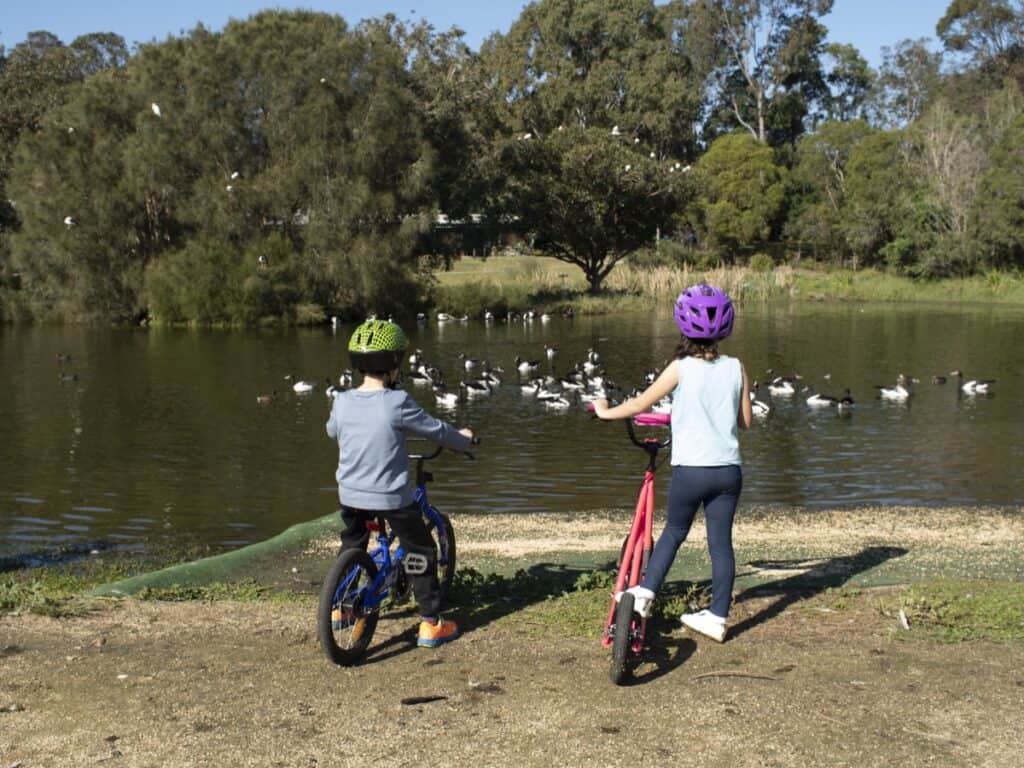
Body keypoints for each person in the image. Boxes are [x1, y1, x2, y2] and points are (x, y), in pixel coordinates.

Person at [594, 285, 752, 642]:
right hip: (728, 470)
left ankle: (645, 593)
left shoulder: (680, 368)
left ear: (683, 325)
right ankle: (717, 617)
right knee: (721, 544)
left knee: (675, 532)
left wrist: (605, 412)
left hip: (691, 471)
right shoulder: (737, 367)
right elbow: (746, 422)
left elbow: (638, 405)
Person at [326, 319, 474, 648]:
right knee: (420, 549)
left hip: (349, 495)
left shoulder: (343, 400)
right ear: (394, 364)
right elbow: (436, 430)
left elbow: (333, 432)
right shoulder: (398, 402)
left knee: (353, 542)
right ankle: (431, 623)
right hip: (390, 498)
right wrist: (463, 440)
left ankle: (341, 607)